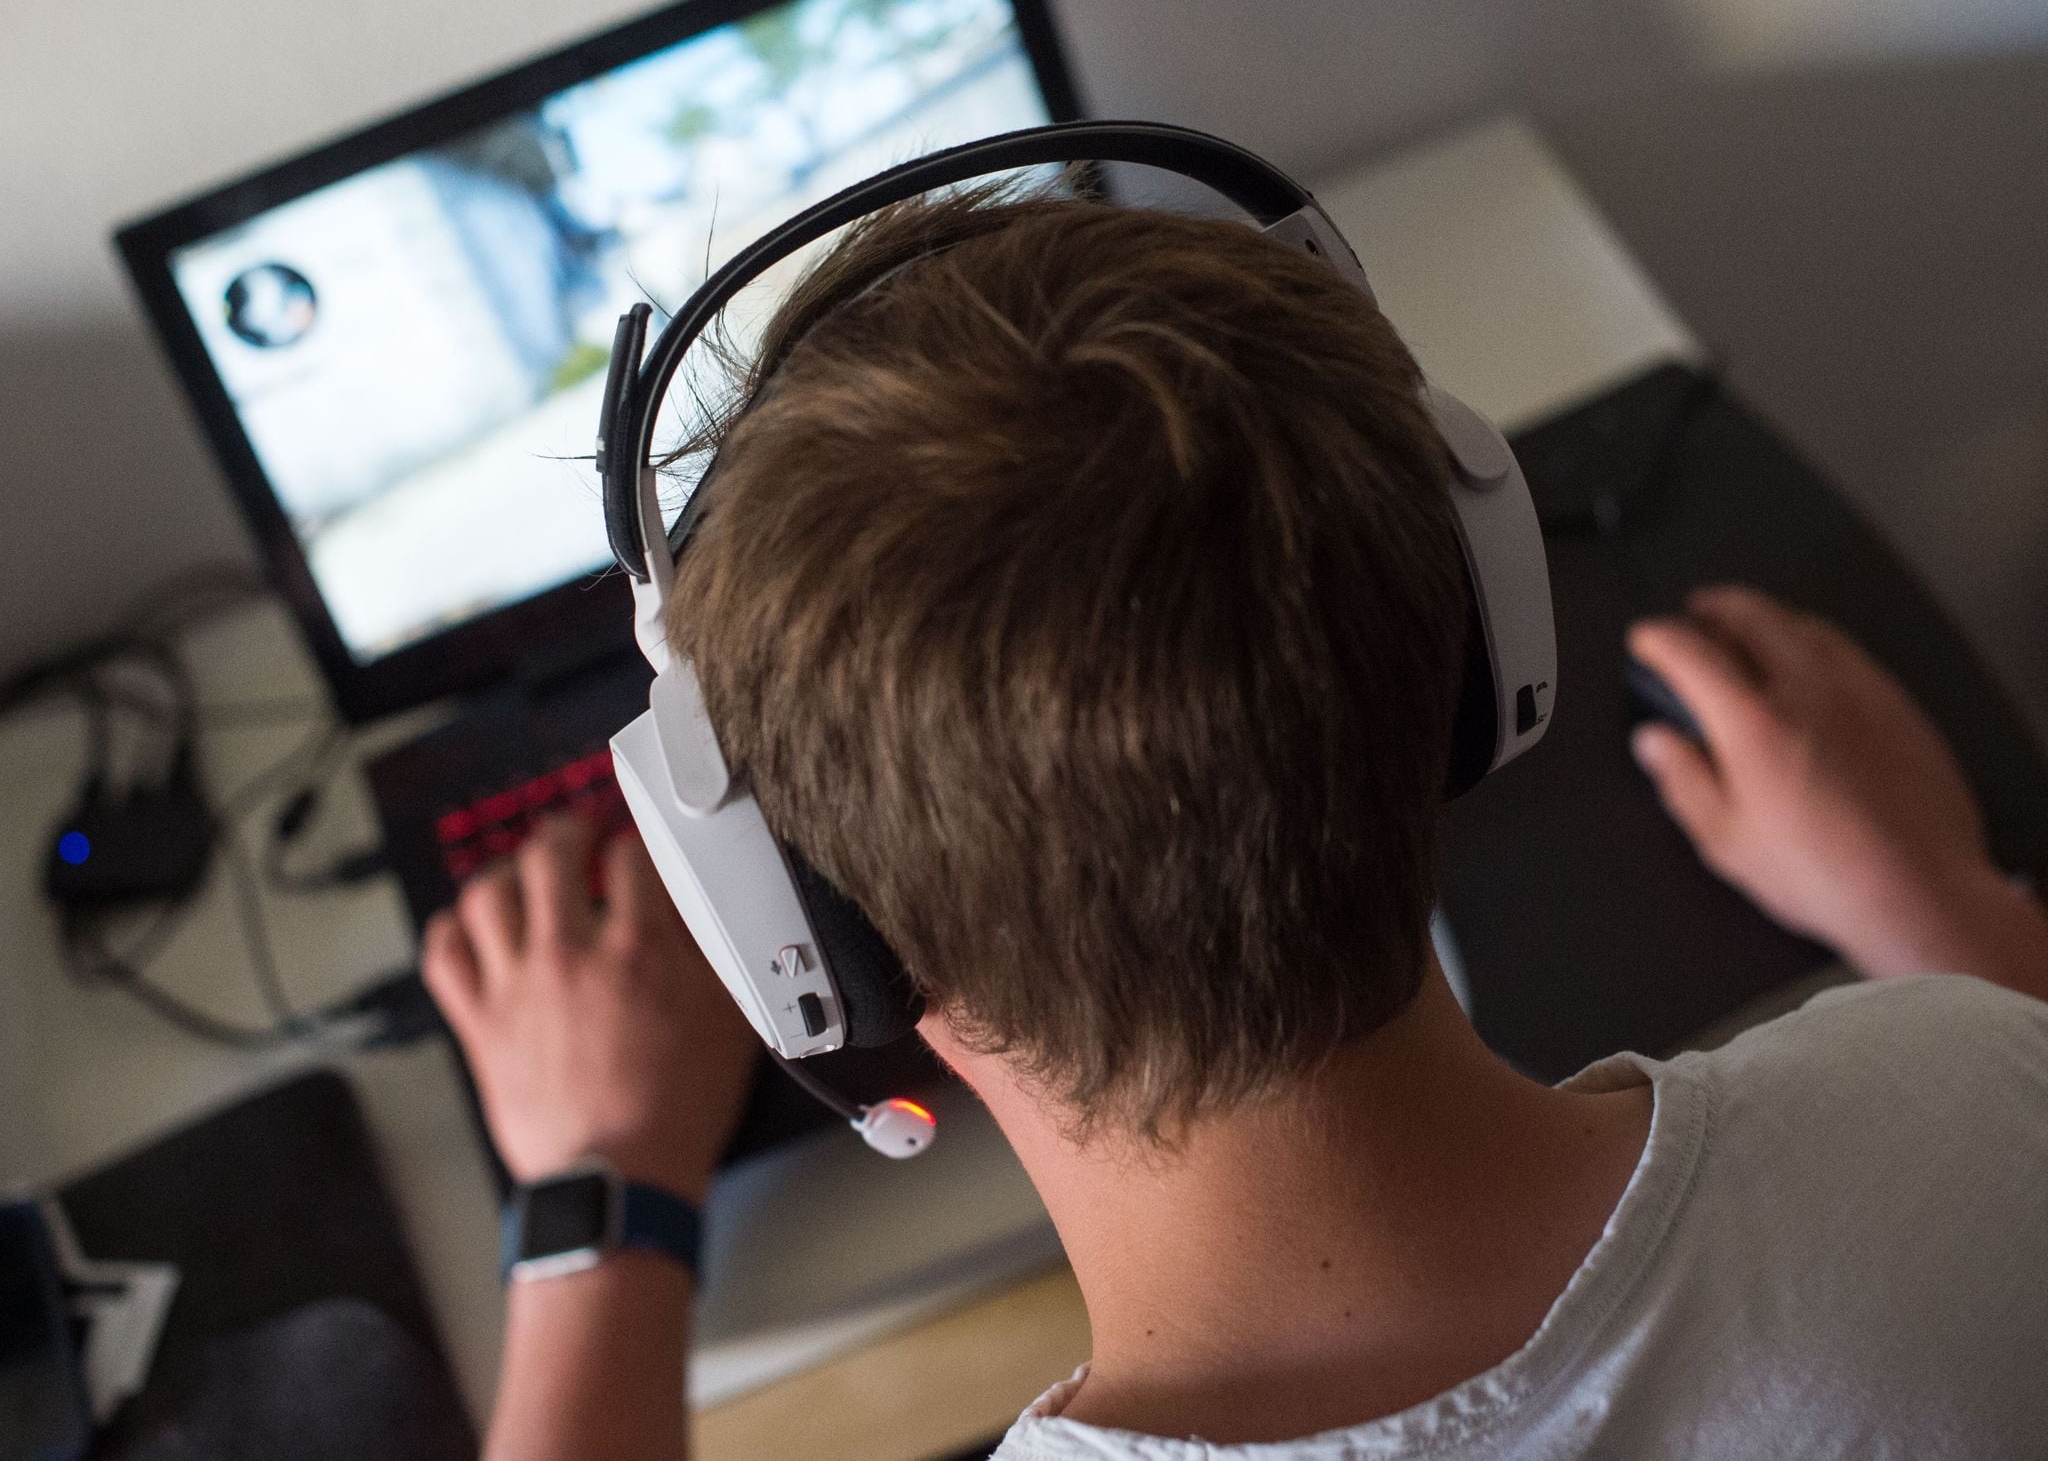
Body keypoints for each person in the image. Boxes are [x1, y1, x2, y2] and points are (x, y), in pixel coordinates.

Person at [420, 194, 2048, 1461]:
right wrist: (1954, 913)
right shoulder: (1972, 1095)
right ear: (1479, 657)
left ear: (789, 939)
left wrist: (596, 1198)